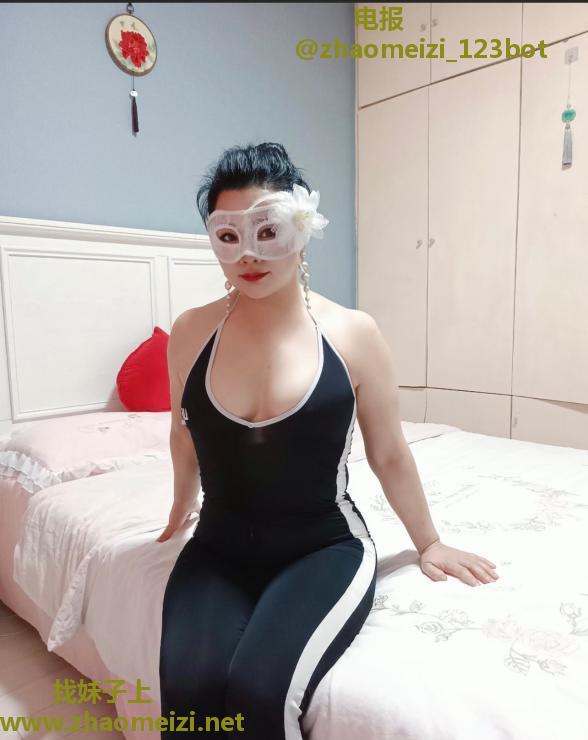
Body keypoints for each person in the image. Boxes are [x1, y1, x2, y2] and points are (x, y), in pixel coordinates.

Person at [156, 142, 499, 739]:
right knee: (188, 697)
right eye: (229, 237)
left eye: (268, 231)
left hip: (321, 550)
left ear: (303, 227)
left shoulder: (353, 333)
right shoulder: (190, 331)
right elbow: (182, 432)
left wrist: (429, 542)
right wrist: (180, 504)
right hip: (217, 548)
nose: (249, 254)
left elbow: (388, 452)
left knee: (257, 692)